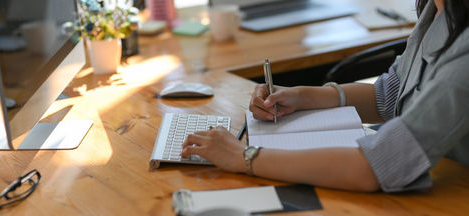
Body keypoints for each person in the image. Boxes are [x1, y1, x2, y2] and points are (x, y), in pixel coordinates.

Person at [182, 0, 469, 192]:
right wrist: (302, 96)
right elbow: (390, 95)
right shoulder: (439, 9)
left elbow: (379, 166)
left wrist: (244, 157)